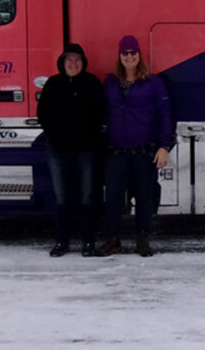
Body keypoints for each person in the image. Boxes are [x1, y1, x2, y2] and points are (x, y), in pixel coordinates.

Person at [96, 35, 175, 257]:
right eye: (125, 53)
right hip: (117, 152)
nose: (129, 57)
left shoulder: (153, 83)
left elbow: (165, 117)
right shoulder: (110, 83)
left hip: (144, 151)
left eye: (133, 53)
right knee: (112, 198)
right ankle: (113, 239)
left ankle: (142, 238)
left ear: (139, 56)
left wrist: (164, 147)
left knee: (144, 197)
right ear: (119, 56)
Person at [36, 43, 106, 257]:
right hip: (58, 150)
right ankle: (61, 242)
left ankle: (88, 242)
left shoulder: (92, 83)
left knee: (87, 197)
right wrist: (55, 136)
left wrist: (90, 138)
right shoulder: (53, 84)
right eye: (69, 60)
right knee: (61, 198)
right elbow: (43, 115)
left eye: (77, 60)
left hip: (86, 150)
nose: (73, 64)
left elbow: (101, 113)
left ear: (83, 62)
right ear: (62, 63)